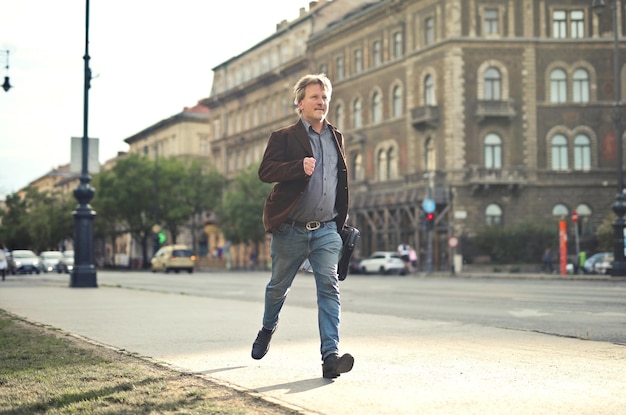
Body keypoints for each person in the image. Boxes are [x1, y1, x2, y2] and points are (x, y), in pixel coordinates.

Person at [252, 73, 353, 379]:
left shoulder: (337, 136)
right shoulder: (284, 137)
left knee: (329, 288)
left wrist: (340, 222)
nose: (321, 102)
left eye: (324, 97)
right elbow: (265, 171)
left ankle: (330, 357)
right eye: (314, 97)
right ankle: (268, 328)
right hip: (291, 229)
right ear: (300, 103)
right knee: (278, 288)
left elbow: (339, 181)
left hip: (325, 229)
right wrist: (298, 167)